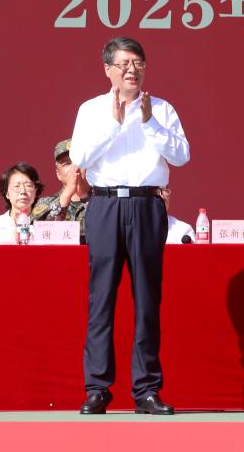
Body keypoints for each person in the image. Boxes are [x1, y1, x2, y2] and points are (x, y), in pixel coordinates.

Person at [69, 36, 190, 415]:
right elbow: (79, 156)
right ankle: (97, 388)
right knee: (101, 298)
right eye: (123, 64)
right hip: (104, 204)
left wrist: (149, 122)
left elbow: (182, 156)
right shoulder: (91, 109)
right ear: (108, 69)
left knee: (147, 299)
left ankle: (146, 389)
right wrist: (114, 123)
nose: (131, 70)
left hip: (147, 204)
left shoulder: (162, 109)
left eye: (137, 63)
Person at [31, 139, 90, 241]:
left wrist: (85, 196)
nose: (74, 168)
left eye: (79, 162)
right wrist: (67, 194)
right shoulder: (45, 203)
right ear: (58, 174)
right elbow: (39, 236)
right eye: (67, 163)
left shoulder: (104, 201)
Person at [0, 163, 44, 245]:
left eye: (28, 186)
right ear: (7, 193)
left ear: (36, 191)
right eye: (16, 186)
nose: (23, 191)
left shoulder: (45, 225)